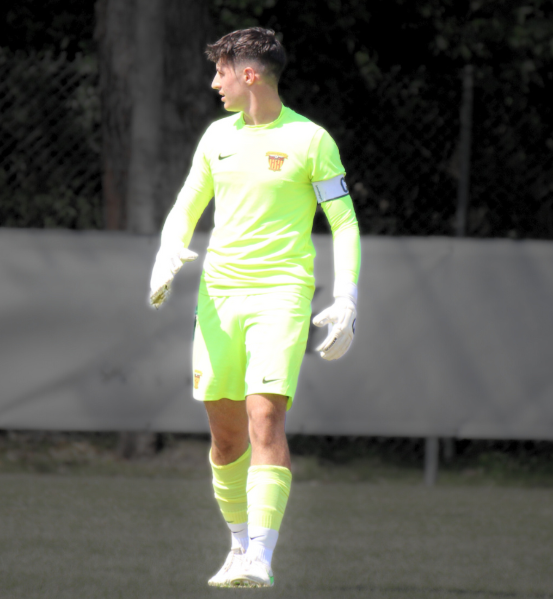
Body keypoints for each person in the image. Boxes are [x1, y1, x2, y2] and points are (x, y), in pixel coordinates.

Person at [147, 26, 361, 589]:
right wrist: (169, 247)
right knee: (225, 436)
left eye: (220, 71)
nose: (214, 83)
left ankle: (262, 555)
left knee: (265, 416)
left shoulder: (312, 140)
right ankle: (238, 547)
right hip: (217, 298)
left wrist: (347, 297)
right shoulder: (216, 137)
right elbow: (187, 204)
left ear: (248, 75)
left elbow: (343, 222)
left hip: (282, 295)